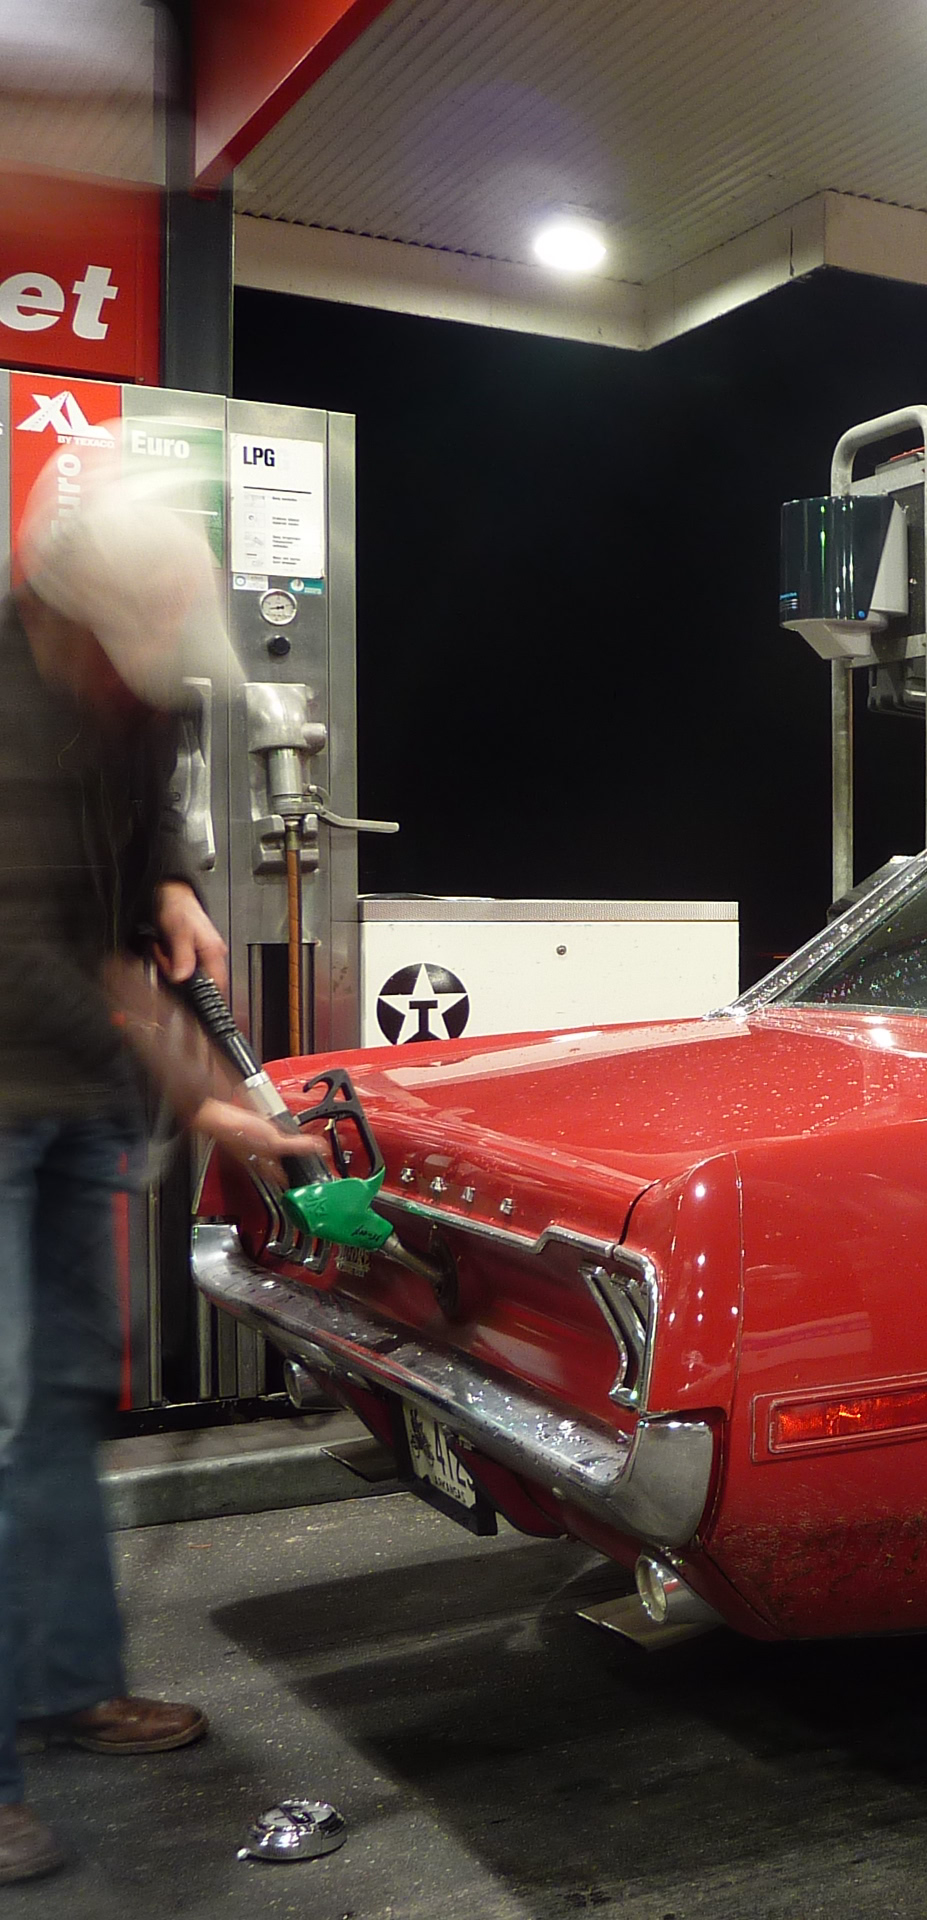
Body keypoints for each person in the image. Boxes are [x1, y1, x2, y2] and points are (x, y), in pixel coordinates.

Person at [0, 480, 320, 1883]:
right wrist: (199, 1094)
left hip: (71, 1103)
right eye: (133, 639)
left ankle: (66, 1685)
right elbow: (23, 957)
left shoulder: (132, 691)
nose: (152, 668)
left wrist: (175, 881)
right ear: (70, 617)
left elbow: (148, 815)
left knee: (60, 1400)